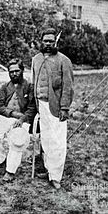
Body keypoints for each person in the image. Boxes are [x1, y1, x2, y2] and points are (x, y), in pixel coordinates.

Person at [31, 28, 74, 190]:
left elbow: (68, 87)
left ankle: (56, 176)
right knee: (46, 139)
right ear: (41, 41)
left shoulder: (64, 61)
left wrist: (64, 108)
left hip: (55, 107)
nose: (48, 44)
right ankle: (48, 169)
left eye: (51, 41)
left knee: (57, 141)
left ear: (55, 42)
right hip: (40, 105)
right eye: (45, 41)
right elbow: (34, 81)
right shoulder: (36, 59)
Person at [0, 58, 36, 182]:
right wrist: (12, 114)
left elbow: (32, 108)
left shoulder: (29, 87)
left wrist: (22, 119)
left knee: (17, 139)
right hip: (5, 117)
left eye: (17, 71)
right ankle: (3, 160)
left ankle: (10, 171)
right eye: (11, 71)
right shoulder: (5, 87)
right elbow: (0, 106)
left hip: (22, 120)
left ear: (22, 71)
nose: (14, 74)